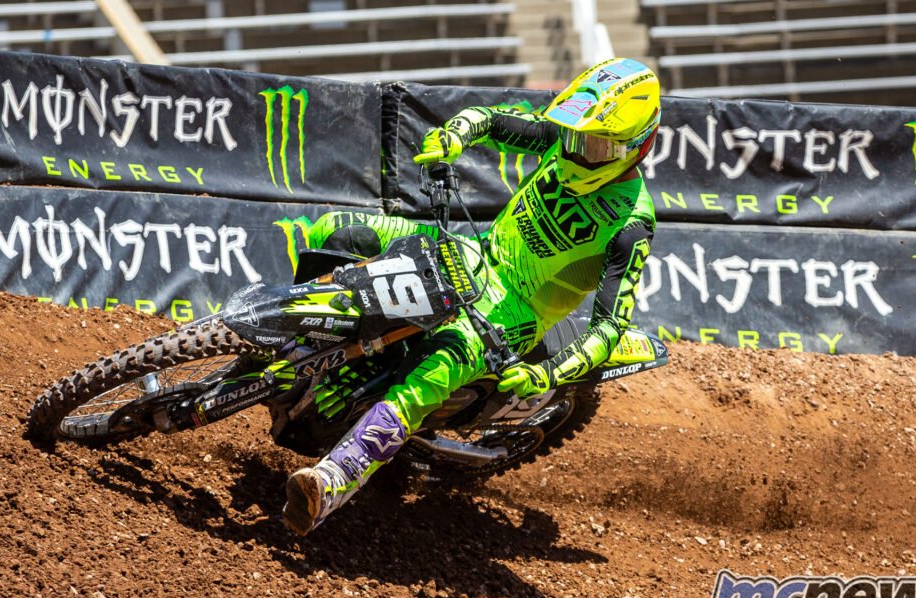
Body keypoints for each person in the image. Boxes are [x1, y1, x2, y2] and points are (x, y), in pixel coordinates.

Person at [282, 57, 661, 536]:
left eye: (598, 146)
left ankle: (334, 479)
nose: (579, 151)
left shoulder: (632, 224)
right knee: (337, 230)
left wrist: (546, 373)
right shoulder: (567, 140)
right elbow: (491, 119)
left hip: (515, 312)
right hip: (471, 252)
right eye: (576, 137)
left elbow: (610, 326)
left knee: (433, 370)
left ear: (636, 147)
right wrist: (454, 136)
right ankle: (296, 340)